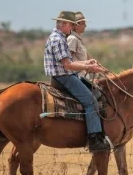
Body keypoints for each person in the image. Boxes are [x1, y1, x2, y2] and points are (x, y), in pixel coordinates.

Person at [44, 10, 111, 153]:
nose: (72, 28)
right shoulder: (59, 39)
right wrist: (89, 67)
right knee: (91, 101)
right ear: (65, 24)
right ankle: (94, 139)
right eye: (71, 25)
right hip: (64, 77)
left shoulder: (58, 37)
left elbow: (70, 61)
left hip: (64, 75)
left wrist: (87, 62)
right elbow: (67, 65)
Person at [67, 11, 92, 79]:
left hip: (83, 76)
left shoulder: (77, 39)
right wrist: (87, 66)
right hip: (78, 78)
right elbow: (68, 62)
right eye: (83, 23)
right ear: (75, 25)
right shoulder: (72, 39)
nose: (85, 25)